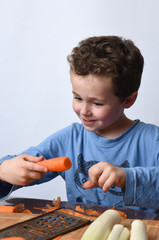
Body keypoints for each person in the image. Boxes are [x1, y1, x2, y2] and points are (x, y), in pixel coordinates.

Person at [0, 36, 158, 211]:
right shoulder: (69, 140)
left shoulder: (152, 140)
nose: (84, 111)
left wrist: (127, 177)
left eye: (97, 103)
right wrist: (3, 172)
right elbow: (24, 163)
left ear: (128, 100)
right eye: (78, 98)